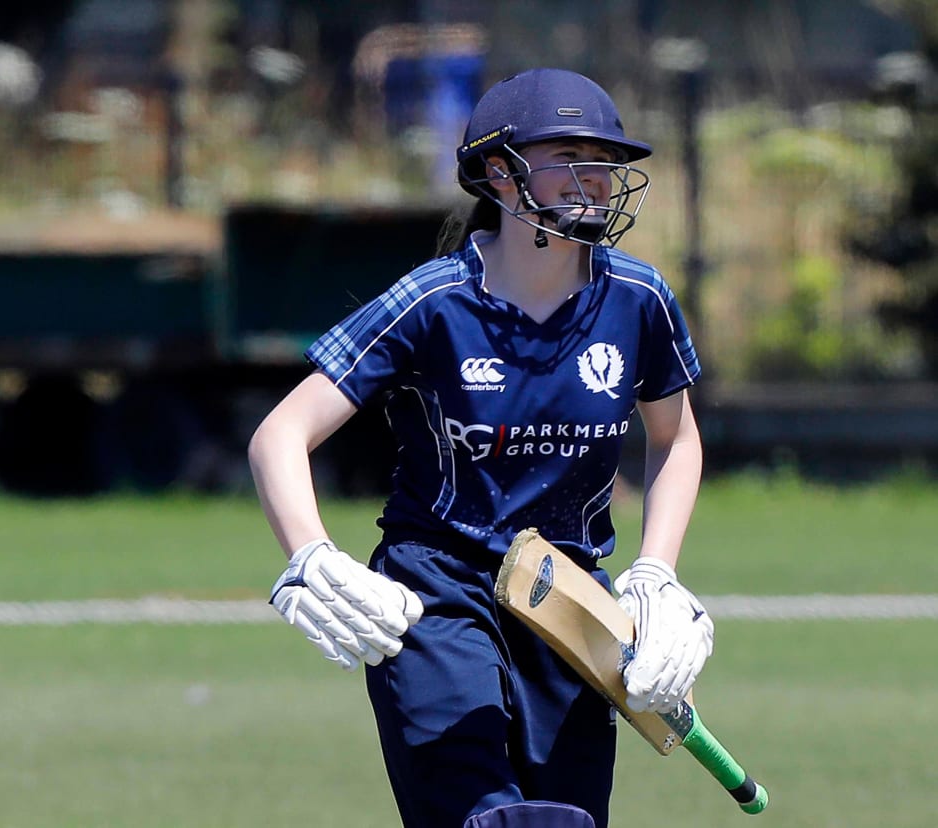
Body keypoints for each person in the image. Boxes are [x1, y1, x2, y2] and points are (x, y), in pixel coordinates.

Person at [248, 68, 714, 828]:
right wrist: (311, 556)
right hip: (437, 590)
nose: (594, 180)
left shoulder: (640, 297)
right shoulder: (436, 299)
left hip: (571, 598)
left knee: (561, 821)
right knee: (483, 818)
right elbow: (281, 435)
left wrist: (657, 573)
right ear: (499, 173)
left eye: (603, 160)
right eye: (568, 155)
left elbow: (676, 438)